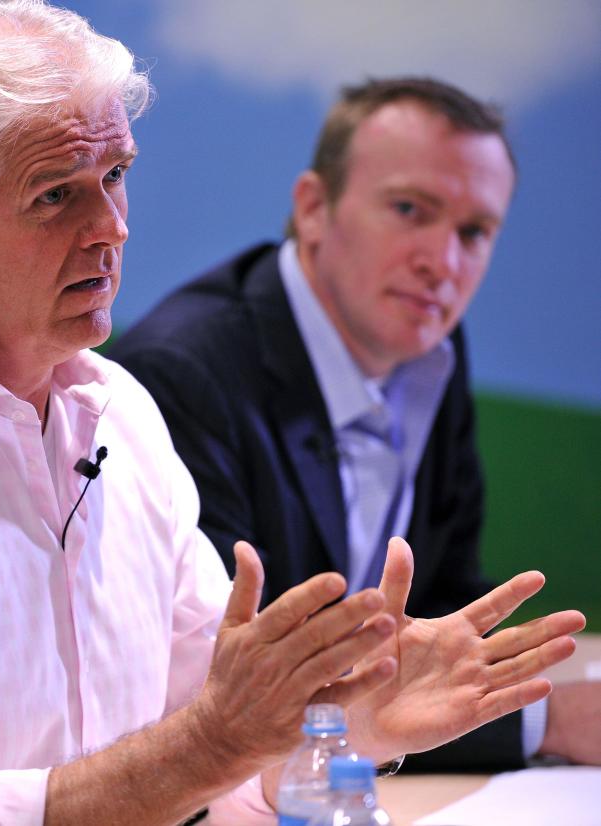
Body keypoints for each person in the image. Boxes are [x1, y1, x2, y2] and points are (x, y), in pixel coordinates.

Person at [0, 3, 585, 823]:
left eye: (115, 175)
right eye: (55, 195)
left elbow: (221, 751)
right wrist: (214, 747)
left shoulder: (122, 414)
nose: (110, 227)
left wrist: (350, 728)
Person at [110, 76, 601, 772]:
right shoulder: (180, 377)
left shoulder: (430, 351)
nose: (443, 262)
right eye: (408, 209)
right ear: (312, 208)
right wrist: (541, 722)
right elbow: (220, 690)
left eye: (473, 231)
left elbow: (443, 607)